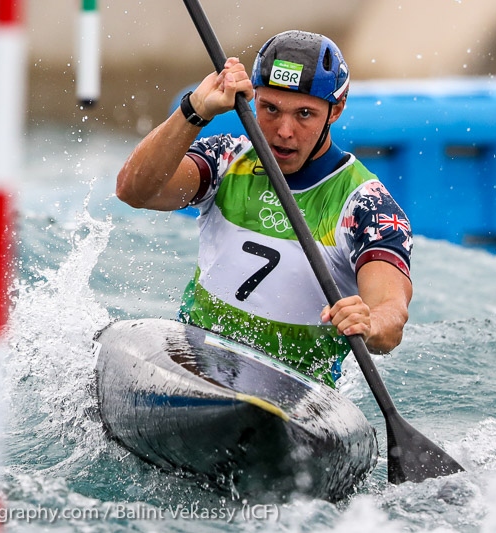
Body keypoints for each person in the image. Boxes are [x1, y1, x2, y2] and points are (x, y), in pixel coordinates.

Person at [116, 30, 413, 388]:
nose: (284, 131)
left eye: (304, 114)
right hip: (196, 368)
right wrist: (194, 109)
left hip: (298, 391)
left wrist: (369, 322)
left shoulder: (368, 206)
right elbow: (134, 191)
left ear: (336, 109)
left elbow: (391, 317)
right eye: (270, 109)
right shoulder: (228, 158)